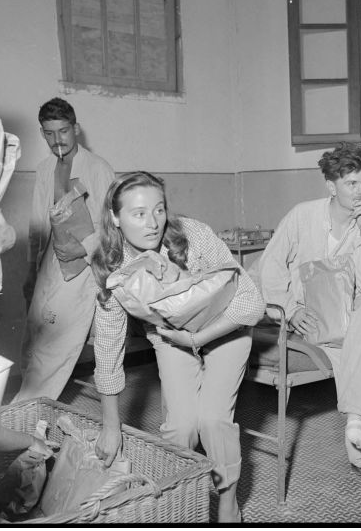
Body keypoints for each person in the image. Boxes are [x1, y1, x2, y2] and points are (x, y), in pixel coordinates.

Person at [90, 172, 265, 522]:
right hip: (171, 338)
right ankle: (181, 500)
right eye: (139, 213)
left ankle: (228, 500)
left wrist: (198, 339)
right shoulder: (113, 266)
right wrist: (110, 426)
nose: (153, 223)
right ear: (115, 217)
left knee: (213, 420)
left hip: (227, 328)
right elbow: (108, 348)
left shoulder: (192, 235)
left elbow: (252, 302)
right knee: (181, 426)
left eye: (159, 209)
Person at [256, 142, 361, 493]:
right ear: (331, 186)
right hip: (311, 317)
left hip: (355, 315)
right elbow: (270, 266)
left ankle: (357, 423)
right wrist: (290, 310)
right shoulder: (302, 216)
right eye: (351, 183)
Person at [13, 97, 115, 402]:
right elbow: (37, 225)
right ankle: (30, 408)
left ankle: (28, 409)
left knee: (54, 344)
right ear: (42, 133)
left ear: (76, 129)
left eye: (64, 131)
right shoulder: (45, 168)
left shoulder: (98, 168)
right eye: (49, 133)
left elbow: (112, 225)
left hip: (85, 266)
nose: (58, 139)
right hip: (50, 263)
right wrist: (31, 272)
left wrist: (83, 250)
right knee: (32, 340)